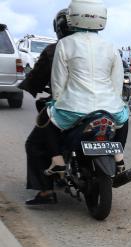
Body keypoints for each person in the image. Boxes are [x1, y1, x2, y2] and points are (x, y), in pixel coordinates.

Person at [19, 8, 71, 205]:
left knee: (34, 143)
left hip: (67, 106)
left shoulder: (54, 50)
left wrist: (27, 85)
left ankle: (45, 191)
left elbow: (37, 79)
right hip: (102, 105)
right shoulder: (101, 48)